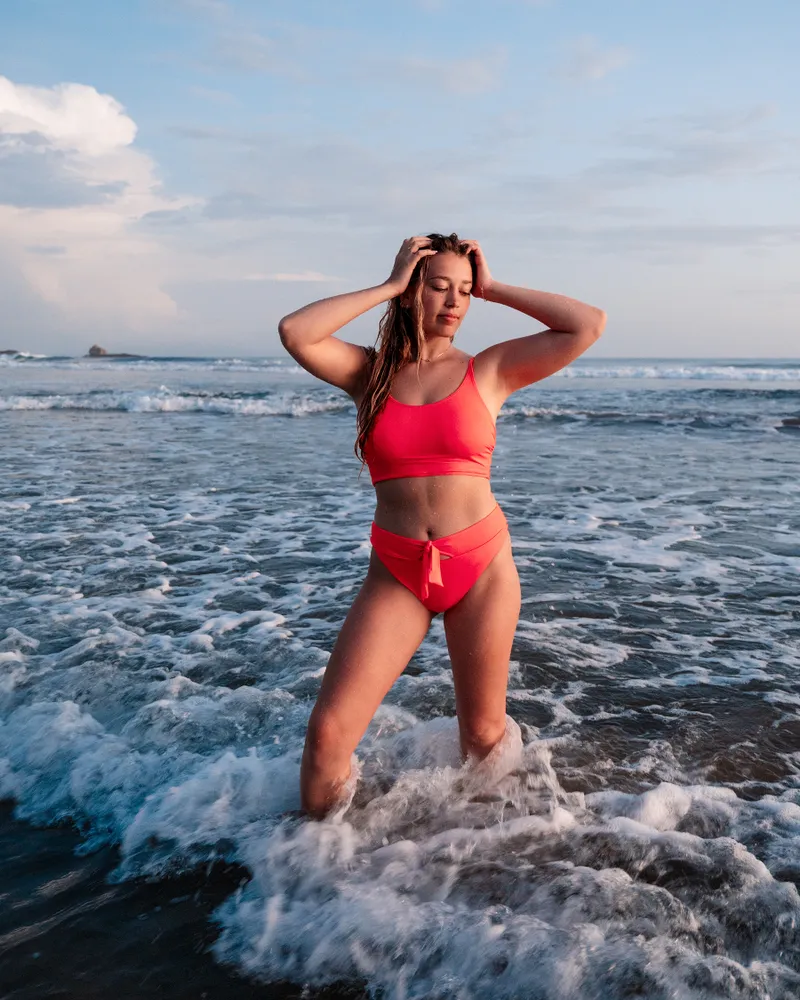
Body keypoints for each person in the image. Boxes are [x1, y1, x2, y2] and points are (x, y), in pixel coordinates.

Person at [278, 233, 606, 818]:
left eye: (463, 291)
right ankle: (308, 868)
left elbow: (587, 323)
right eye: (438, 287)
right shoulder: (368, 374)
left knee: (481, 738)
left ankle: (490, 851)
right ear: (411, 292)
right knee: (327, 737)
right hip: (397, 571)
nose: (454, 302)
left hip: (480, 568)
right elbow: (295, 331)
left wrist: (495, 286)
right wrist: (387, 283)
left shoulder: (492, 370)